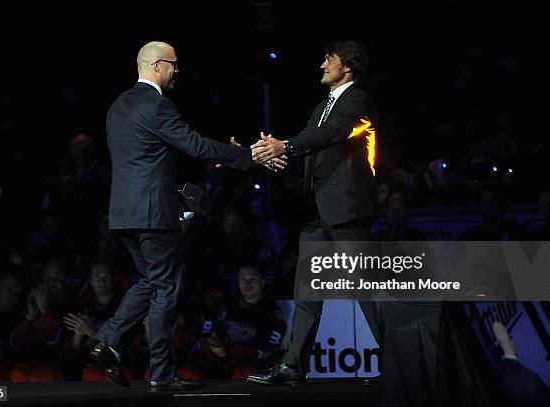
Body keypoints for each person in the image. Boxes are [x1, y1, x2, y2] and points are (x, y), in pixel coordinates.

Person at [90, 41, 259, 391]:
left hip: (124, 214)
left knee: (152, 281)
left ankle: (106, 340)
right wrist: (244, 155)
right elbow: (195, 145)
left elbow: (149, 156)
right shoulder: (157, 106)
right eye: (173, 64)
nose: (177, 70)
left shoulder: (117, 107)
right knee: (166, 286)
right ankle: (163, 373)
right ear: (155, 65)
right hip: (154, 213)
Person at [247, 40, 379, 385]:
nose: (322, 65)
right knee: (306, 293)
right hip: (316, 213)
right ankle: (292, 364)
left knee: (365, 291)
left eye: (328, 60)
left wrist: (287, 145)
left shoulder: (357, 101)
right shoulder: (321, 107)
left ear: (346, 67)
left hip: (348, 211)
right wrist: (277, 159)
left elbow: (331, 135)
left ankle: (399, 361)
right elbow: (307, 152)